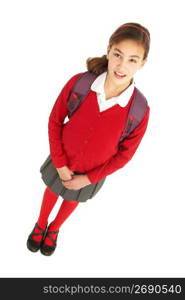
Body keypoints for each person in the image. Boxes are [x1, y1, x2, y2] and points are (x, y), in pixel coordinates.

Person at [27, 22, 151, 256]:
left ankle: (54, 229)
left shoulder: (139, 110)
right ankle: (41, 223)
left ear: (142, 63)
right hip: (61, 159)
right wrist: (60, 163)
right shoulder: (80, 83)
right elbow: (55, 120)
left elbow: (125, 156)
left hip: (91, 172)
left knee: (72, 198)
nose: (122, 65)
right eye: (118, 55)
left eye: (132, 59)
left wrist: (89, 179)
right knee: (53, 189)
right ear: (109, 50)